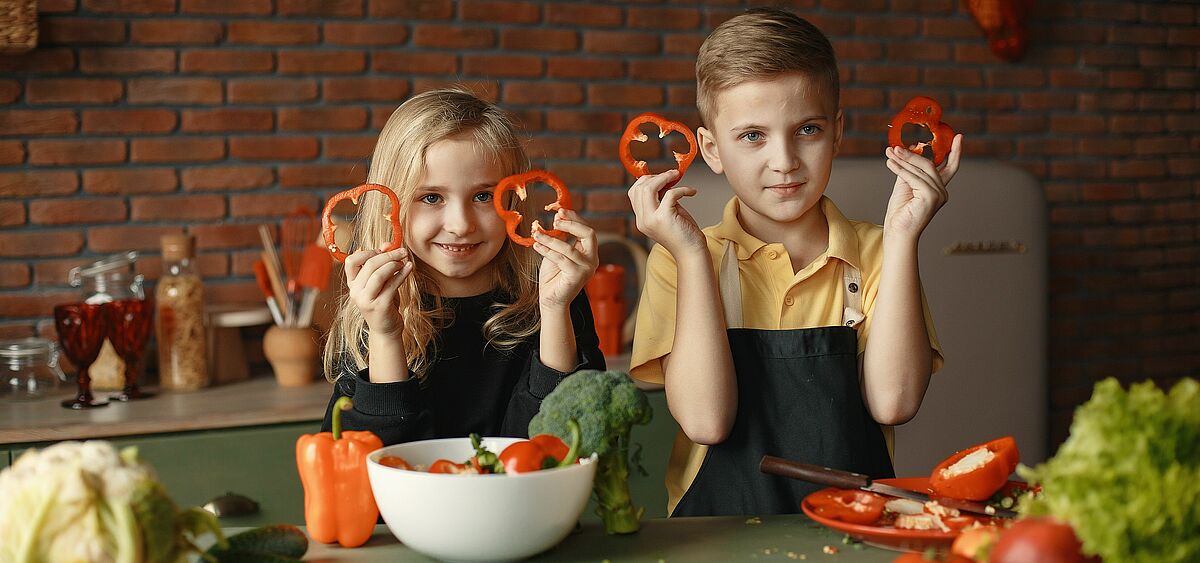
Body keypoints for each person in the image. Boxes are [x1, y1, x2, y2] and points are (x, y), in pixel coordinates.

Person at [627, 7, 962, 517]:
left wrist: (903, 238)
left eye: (806, 129)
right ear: (712, 149)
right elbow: (705, 422)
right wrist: (694, 256)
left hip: (851, 532)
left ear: (838, 131)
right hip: (716, 535)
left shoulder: (876, 253)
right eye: (753, 136)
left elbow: (894, 403)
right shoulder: (680, 258)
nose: (783, 160)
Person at [320, 89, 605, 445]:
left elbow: (567, 447)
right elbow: (372, 466)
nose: (460, 224)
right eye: (431, 197)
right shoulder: (373, 313)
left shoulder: (554, 297)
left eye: (483, 196)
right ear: (388, 204)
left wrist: (554, 310)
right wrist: (385, 334)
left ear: (516, 199)